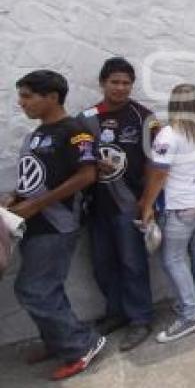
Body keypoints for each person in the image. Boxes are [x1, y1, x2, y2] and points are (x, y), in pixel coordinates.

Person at [7, 70, 106, 380]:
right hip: (31, 223)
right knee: (47, 287)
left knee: (32, 289)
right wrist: (14, 199)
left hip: (56, 224)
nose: (21, 103)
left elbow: (87, 175)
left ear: (51, 97)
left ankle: (81, 345)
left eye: (27, 96)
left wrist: (35, 205)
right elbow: (35, 177)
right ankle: (58, 340)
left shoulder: (75, 131)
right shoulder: (35, 135)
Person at [78, 57, 156, 351]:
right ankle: (116, 313)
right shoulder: (85, 118)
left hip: (130, 205)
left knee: (133, 264)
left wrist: (148, 202)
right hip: (96, 206)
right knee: (102, 265)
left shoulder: (144, 117)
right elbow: (75, 159)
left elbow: (155, 164)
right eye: (115, 82)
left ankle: (140, 319)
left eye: (126, 83)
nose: (121, 88)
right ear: (102, 83)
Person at [139, 84, 195, 343]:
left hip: (182, 205)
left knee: (173, 259)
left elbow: (160, 173)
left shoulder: (168, 135)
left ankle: (191, 313)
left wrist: (147, 205)